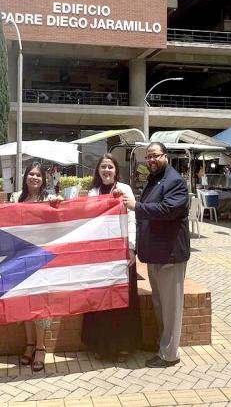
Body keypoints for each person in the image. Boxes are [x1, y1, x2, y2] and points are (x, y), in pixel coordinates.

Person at [120, 142, 189, 368]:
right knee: (160, 305)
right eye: (148, 157)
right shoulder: (155, 180)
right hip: (156, 255)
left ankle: (170, 355)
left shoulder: (175, 181)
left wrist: (136, 206)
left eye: (155, 156)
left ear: (165, 156)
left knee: (171, 307)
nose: (151, 160)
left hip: (170, 255)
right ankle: (163, 344)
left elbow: (167, 210)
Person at [81, 154, 141, 361]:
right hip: (100, 257)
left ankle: (123, 345)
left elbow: (132, 219)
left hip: (122, 253)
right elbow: (87, 221)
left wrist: (132, 248)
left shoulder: (125, 190)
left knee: (123, 300)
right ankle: (101, 345)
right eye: (103, 167)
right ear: (98, 171)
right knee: (101, 300)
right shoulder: (93, 192)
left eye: (110, 167)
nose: (107, 170)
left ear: (116, 170)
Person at [13, 162, 60, 372]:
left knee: (40, 304)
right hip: (20, 259)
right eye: (31, 174)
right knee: (24, 302)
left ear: (43, 179)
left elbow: (60, 221)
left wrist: (59, 204)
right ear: (25, 177)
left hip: (42, 259)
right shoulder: (15, 198)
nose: (34, 178)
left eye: (38, 175)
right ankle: (29, 344)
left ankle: (40, 347)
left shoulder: (49, 199)